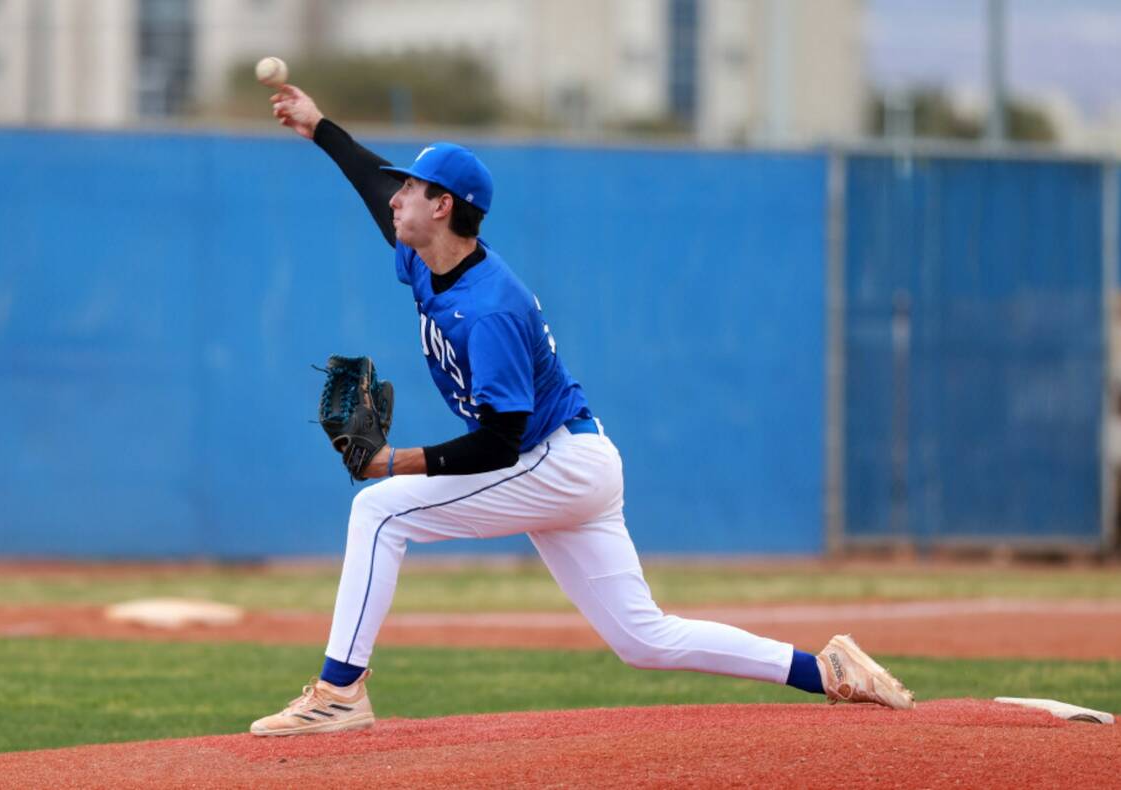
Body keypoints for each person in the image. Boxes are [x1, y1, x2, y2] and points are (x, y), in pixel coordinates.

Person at [250, 85, 914, 737]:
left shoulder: (489, 310)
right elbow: (373, 187)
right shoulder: (425, 255)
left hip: (551, 462)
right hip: (575, 459)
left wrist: (394, 462)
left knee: (380, 509)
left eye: (414, 189)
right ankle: (823, 668)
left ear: (444, 207)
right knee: (642, 639)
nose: (397, 198)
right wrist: (319, 126)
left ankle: (339, 692)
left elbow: (501, 444)